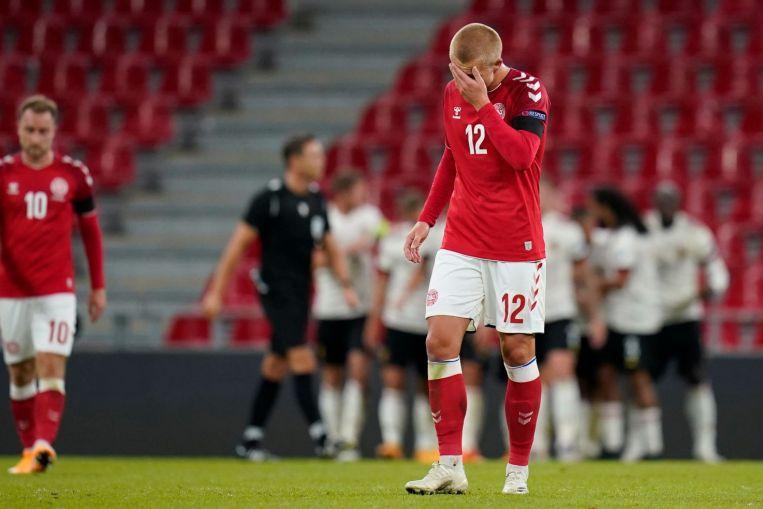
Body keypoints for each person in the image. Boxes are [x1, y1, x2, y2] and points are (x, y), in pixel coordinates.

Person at [402, 23, 550, 495]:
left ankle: (518, 469)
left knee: (517, 350)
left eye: (471, 74)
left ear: (492, 66)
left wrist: (485, 108)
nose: (462, 82)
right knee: (439, 342)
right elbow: (453, 155)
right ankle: (450, 464)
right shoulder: (453, 93)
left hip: (516, 243)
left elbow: (522, 155)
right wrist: (427, 218)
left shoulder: (527, 91)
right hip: (462, 240)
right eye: (456, 73)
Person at [202, 134, 358, 460]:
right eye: (314, 155)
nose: (321, 161)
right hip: (274, 290)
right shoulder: (269, 199)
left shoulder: (317, 200)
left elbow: (330, 246)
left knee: (275, 365)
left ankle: (250, 439)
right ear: (294, 160)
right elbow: (236, 247)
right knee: (302, 357)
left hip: (302, 291)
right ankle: (322, 437)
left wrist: (345, 284)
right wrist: (216, 292)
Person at [2, 95, 107, 474]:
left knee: (51, 364)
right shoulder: (4, 175)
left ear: (54, 132)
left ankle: (44, 443)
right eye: (29, 130)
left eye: (43, 131)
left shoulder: (73, 175)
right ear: (18, 129)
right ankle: (30, 450)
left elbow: (91, 232)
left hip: (56, 289)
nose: (35, 138)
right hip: (11, 290)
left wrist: (98, 286)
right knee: (20, 372)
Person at [645, 182, 729, 462]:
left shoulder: (694, 232)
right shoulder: (644, 229)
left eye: (670, 199)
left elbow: (716, 269)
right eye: (661, 199)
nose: (666, 204)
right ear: (655, 202)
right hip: (651, 318)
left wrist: (712, 288)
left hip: (685, 316)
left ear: (678, 202)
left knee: (698, 379)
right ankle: (641, 445)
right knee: (641, 380)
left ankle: (705, 446)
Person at [532, 179, 604, 462]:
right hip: (522, 313)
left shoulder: (569, 231)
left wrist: (595, 316)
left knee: (562, 371)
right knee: (530, 377)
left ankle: (566, 442)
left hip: (560, 311)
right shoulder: (513, 224)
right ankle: (535, 444)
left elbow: (584, 275)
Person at [366, 190, 441, 463]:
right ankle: (392, 442)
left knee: (426, 384)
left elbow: (425, 269)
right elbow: (382, 281)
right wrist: (376, 319)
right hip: (397, 320)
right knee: (393, 380)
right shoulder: (392, 241)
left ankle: (424, 445)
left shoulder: (438, 237)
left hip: (427, 320)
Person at [313, 170, 383, 461]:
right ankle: (332, 438)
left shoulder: (368, 215)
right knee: (331, 374)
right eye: (358, 190)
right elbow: (314, 257)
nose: (363, 195)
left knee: (357, 369)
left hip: (359, 308)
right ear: (342, 193)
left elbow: (383, 232)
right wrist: (340, 253)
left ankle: (349, 440)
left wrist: (358, 245)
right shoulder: (324, 217)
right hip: (328, 308)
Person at [588, 187, 662, 462]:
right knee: (606, 374)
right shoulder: (614, 237)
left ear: (607, 208)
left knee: (638, 377)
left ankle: (651, 447)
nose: (593, 213)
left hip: (636, 320)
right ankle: (613, 444)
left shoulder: (627, 239)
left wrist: (596, 284)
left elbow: (620, 279)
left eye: (595, 207)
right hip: (616, 319)